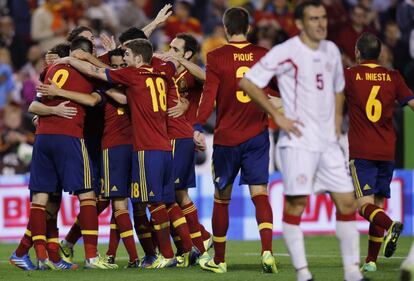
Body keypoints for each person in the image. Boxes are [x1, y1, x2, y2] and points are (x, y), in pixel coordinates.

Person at [239, 1, 366, 281]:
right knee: (296, 206)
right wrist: (277, 116)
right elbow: (248, 83)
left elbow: (338, 88)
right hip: (297, 143)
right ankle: (303, 273)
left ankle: (352, 274)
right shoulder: (287, 52)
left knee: (347, 203)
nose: (321, 23)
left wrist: (335, 125)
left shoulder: (331, 50)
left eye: (322, 18)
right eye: (313, 19)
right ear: (299, 24)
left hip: (328, 144)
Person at [63, 38, 179, 268]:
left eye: (127, 56)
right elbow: (172, 62)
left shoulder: (132, 76)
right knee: (158, 203)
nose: (124, 60)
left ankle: (166, 255)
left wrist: (69, 59)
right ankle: (165, 255)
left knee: (152, 203)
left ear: (137, 58)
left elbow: (94, 70)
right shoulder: (163, 72)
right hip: (166, 147)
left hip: (147, 148)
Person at [193, 7, 277, 274]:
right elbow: (274, 89)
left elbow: (209, 95)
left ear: (226, 29)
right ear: (249, 28)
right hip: (257, 136)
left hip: (228, 138)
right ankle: (267, 252)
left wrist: (197, 124)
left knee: (221, 198)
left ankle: (219, 260)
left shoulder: (216, 56)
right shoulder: (263, 55)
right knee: (260, 194)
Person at [22, 37, 115, 270]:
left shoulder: (51, 70)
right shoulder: (90, 72)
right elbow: (102, 87)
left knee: (40, 198)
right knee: (87, 194)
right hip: (70, 136)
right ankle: (92, 256)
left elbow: (34, 105)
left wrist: (54, 99)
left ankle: (42, 257)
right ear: (84, 54)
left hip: (42, 138)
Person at [344, 32, 414, 272]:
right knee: (377, 204)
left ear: (357, 52)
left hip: (362, 150)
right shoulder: (393, 77)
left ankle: (391, 224)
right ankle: (371, 261)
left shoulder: (350, 75)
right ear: (380, 53)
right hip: (387, 151)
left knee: (362, 204)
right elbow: (412, 104)